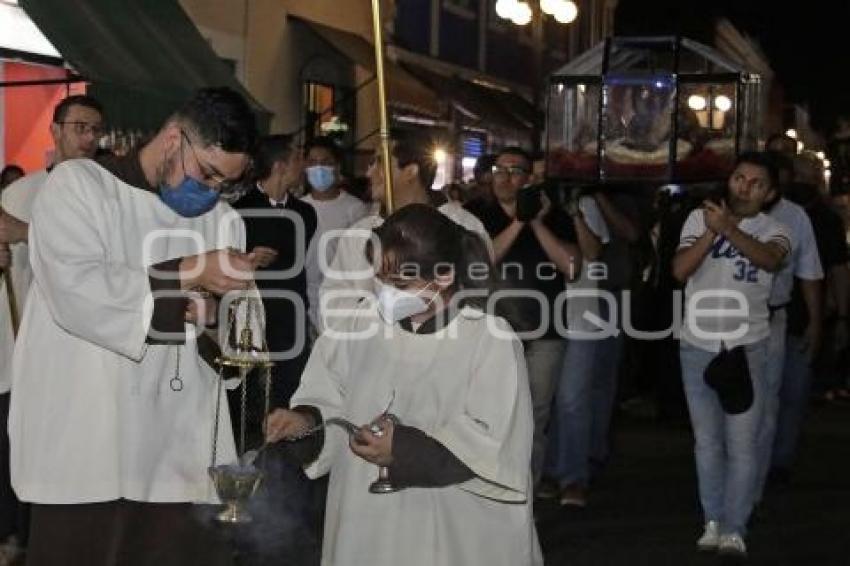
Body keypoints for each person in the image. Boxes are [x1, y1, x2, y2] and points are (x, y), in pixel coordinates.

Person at [9, 87, 258, 566]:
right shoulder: (80, 187)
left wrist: (214, 320)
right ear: (172, 138)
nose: (209, 192)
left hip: (177, 450)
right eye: (206, 174)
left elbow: (241, 334)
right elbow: (76, 290)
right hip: (85, 443)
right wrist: (188, 270)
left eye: (223, 184)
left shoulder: (223, 221)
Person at [266, 203, 542, 566]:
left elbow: (493, 439)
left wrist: (403, 448)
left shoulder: (489, 340)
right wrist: (306, 423)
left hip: (450, 522)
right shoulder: (359, 324)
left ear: (443, 276)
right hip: (366, 518)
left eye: (399, 284)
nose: (384, 292)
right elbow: (329, 394)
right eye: (379, 278)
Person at [0, 94, 104, 563]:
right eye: (79, 127)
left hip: (87, 348)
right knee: (25, 444)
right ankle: (20, 535)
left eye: (95, 130)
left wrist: (26, 233)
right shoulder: (20, 194)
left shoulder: (109, 194)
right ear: (55, 131)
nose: (88, 137)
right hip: (30, 345)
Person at [672, 152, 790, 558]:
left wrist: (729, 229)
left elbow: (770, 260)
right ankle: (712, 520)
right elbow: (680, 270)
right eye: (739, 178)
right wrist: (711, 232)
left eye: (756, 183)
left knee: (742, 443)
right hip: (697, 343)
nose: (744, 187)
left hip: (747, 346)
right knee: (706, 442)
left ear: (770, 193)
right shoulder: (696, 219)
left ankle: (735, 526)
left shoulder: (775, 229)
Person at [464, 146, 581, 486]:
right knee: (489, 414)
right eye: (500, 170)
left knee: (534, 416)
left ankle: (523, 493)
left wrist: (538, 223)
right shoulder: (477, 213)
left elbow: (571, 267)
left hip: (545, 333)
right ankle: (488, 490)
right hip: (491, 333)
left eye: (515, 171)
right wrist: (518, 223)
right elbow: (477, 265)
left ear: (529, 179)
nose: (505, 178)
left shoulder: (554, 215)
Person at [318, 133, 491, 331]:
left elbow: (477, 299)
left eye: (380, 162)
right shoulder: (360, 233)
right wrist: (373, 316)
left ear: (410, 171)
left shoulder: (463, 224)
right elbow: (332, 306)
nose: (370, 172)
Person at [752, 152, 823, 507]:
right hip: (723, 319)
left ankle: (752, 486)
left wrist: (816, 320)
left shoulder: (794, 218)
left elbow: (809, 272)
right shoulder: (718, 212)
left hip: (770, 319)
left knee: (766, 407)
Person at [544, 188, 609, 507]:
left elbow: (594, 252)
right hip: (539, 317)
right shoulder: (526, 205)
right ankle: (550, 470)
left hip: (579, 316)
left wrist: (574, 214)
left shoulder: (584, 204)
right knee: (546, 399)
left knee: (571, 400)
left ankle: (572, 477)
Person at [300, 136, 369, 336]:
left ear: (337, 167)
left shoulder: (355, 209)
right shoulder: (299, 207)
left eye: (326, 162)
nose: (318, 168)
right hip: (306, 300)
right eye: (312, 163)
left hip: (342, 298)